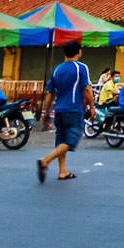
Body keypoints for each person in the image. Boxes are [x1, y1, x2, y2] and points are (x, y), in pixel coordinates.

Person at [36, 41, 94, 183]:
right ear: (78, 52)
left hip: (59, 110)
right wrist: (92, 106)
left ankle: (62, 171)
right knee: (70, 141)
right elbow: (87, 88)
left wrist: (46, 112)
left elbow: (50, 93)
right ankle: (45, 161)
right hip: (73, 109)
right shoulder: (80, 67)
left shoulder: (57, 69)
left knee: (61, 141)